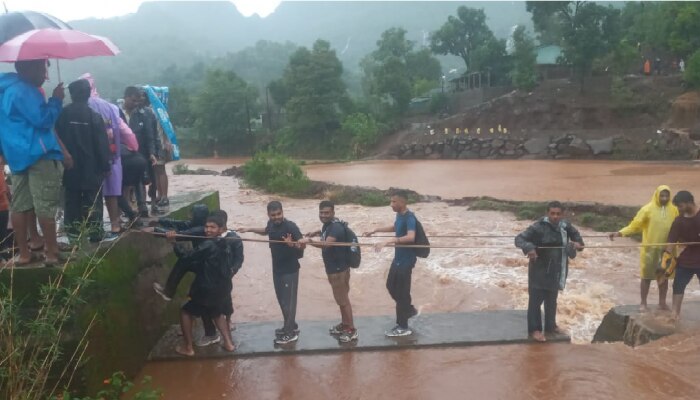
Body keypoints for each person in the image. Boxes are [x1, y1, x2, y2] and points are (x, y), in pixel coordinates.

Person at [0, 59, 72, 266]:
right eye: (42, 68)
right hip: (39, 153)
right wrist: (56, 100)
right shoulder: (25, 91)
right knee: (45, 204)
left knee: (20, 206)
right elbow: (44, 120)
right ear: (26, 68)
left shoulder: (4, 91)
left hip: (16, 156)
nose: (45, 74)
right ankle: (52, 252)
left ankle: (25, 253)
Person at [169, 210, 241, 356]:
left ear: (220, 229)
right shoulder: (225, 242)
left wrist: (173, 243)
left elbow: (186, 257)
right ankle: (228, 344)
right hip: (221, 287)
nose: (208, 230)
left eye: (212, 227)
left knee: (185, 311)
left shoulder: (209, 245)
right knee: (216, 313)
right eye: (207, 227)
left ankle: (188, 348)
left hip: (206, 288)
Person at [515, 201, 584, 342]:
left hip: (557, 269)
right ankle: (535, 330)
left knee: (552, 300)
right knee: (535, 301)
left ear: (562, 214)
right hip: (538, 270)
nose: (555, 216)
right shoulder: (538, 227)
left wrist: (577, 245)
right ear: (547, 213)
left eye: (558, 214)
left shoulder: (566, 226)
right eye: (552, 213)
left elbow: (580, 242)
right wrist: (529, 248)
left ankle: (550, 326)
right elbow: (519, 239)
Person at [238, 201, 305, 345]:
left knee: (289, 303)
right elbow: (266, 230)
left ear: (283, 212)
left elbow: (302, 243)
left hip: (290, 270)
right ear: (268, 215)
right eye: (273, 215)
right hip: (277, 269)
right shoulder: (271, 224)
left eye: (278, 214)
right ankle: (290, 325)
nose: (276, 217)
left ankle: (290, 333)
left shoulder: (290, 226)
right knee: (281, 300)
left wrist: (291, 244)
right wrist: (249, 229)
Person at [55, 79, 111, 243]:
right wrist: (105, 165)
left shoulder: (62, 114)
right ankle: (95, 233)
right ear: (88, 95)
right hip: (91, 166)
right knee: (93, 200)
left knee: (71, 199)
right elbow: (102, 144)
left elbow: (56, 136)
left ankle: (73, 235)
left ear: (71, 95)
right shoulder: (94, 116)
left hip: (69, 165)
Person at [608, 185, 678, 312]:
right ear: (657, 195)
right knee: (646, 276)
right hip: (650, 249)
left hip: (668, 249)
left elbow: (680, 226)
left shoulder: (674, 210)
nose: (664, 198)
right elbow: (635, 225)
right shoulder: (647, 209)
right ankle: (643, 303)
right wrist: (620, 233)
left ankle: (662, 302)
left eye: (667, 196)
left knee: (664, 276)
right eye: (662, 195)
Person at [299, 201, 358, 343]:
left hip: (338, 270)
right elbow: (326, 233)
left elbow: (327, 244)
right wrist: (317, 232)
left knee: (343, 301)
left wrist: (310, 241)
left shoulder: (336, 228)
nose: (323, 215)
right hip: (335, 269)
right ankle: (344, 325)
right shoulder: (329, 225)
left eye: (326, 213)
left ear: (333, 213)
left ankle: (351, 330)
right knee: (341, 299)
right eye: (321, 213)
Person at [364, 190, 420, 337]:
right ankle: (408, 309)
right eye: (391, 201)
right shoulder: (399, 216)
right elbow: (396, 228)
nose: (391, 204)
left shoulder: (410, 217)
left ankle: (403, 326)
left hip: (407, 261)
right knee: (391, 286)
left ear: (402, 202)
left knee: (402, 292)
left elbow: (410, 237)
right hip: (398, 259)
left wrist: (388, 241)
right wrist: (375, 230)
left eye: (394, 202)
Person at [79, 73, 124, 241]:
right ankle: (115, 224)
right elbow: (122, 129)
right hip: (112, 154)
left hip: (91, 157)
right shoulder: (110, 107)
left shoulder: (82, 107)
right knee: (112, 192)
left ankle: (93, 228)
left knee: (93, 194)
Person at [665, 191, 700, 321]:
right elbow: (671, 241)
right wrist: (666, 258)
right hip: (687, 257)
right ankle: (675, 313)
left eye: (680, 206)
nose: (678, 209)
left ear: (689, 203)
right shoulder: (679, 221)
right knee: (678, 285)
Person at [122, 86, 157, 218]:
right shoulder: (116, 112)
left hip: (139, 152)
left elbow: (149, 135)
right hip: (122, 152)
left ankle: (142, 206)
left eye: (137, 101)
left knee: (140, 179)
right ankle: (126, 208)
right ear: (126, 97)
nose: (135, 104)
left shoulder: (143, 114)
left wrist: (152, 152)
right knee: (123, 182)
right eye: (133, 100)